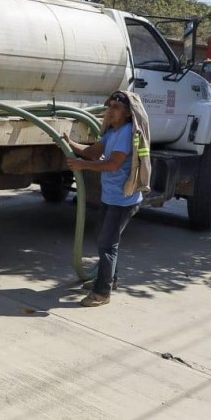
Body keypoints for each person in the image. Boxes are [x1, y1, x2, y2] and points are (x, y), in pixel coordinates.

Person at [64, 90, 150, 308]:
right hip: (111, 197)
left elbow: (112, 164)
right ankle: (110, 280)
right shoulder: (113, 132)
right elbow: (94, 152)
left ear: (128, 113)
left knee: (107, 244)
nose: (110, 111)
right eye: (109, 106)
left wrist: (82, 166)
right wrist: (69, 142)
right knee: (107, 242)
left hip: (123, 201)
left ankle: (102, 293)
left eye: (116, 108)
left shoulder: (127, 133)